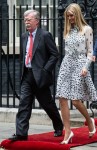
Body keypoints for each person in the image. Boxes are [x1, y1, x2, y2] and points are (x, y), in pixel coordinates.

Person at [9, 9, 63, 141]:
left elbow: (54, 54)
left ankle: (59, 125)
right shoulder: (23, 36)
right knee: (24, 104)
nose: (26, 22)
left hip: (40, 76)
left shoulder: (45, 35)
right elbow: (23, 56)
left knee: (47, 104)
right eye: (25, 20)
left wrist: (45, 70)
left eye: (29, 20)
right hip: (27, 75)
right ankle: (21, 133)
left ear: (37, 21)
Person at [56, 3, 97, 144]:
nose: (70, 18)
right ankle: (68, 132)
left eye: (72, 15)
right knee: (62, 97)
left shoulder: (87, 29)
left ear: (77, 14)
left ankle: (89, 120)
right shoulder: (67, 30)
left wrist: (86, 67)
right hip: (66, 64)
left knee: (75, 100)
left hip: (80, 64)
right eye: (68, 16)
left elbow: (90, 51)